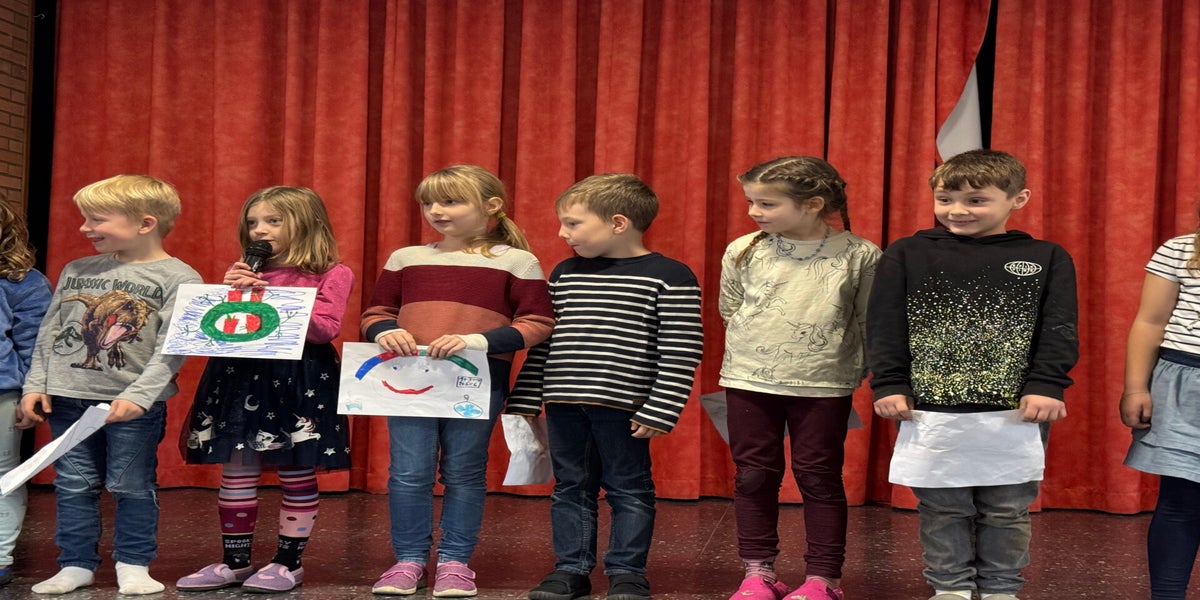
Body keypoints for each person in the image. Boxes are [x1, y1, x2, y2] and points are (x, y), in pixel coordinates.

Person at [867, 149, 1079, 600]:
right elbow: (884, 323)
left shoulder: (1045, 256)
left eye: (976, 200)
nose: (957, 210)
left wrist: (1047, 384)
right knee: (942, 508)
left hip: (1016, 410)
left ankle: (1002, 588)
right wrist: (889, 382)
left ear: (1018, 199)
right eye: (945, 199)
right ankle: (950, 588)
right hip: (930, 408)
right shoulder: (907, 253)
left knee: (1007, 509)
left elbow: (1059, 326)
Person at [508, 173, 704, 600]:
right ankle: (570, 569)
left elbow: (682, 348)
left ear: (618, 223)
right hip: (563, 402)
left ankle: (627, 572)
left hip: (624, 406)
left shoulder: (670, 275)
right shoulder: (565, 272)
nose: (562, 233)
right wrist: (525, 395)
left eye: (573, 223)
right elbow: (546, 341)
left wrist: (662, 406)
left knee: (629, 488)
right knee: (570, 486)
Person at [362, 164, 554, 598]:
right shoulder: (406, 258)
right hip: (407, 384)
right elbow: (375, 314)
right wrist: (384, 331)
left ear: (491, 206)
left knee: (465, 472)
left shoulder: (517, 262)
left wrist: (475, 341)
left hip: (477, 385)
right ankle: (408, 560)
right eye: (429, 202)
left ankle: (454, 562)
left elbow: (539, 323)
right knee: (408, 473)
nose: (436, 210)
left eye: (450, 201)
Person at [16, 174, 203, 595]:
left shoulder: (181, 278)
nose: (85, 228)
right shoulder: (77, 270)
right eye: (85, 218)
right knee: (73, 484)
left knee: (130, 484)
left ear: (145, 223)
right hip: (68, 400)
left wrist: (139, 395)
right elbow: (50, 332)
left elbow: (173, 348)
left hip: (130, 408)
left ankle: (134, 564)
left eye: (97, 219)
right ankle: (75, 563)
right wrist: (35, 384)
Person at [174, 186, 354, 593]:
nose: (259, 230)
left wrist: (269, 297)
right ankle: (234, 561)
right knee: (236, 468)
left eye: (273, 221)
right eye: (253, 222)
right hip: (240, 375)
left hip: (298, 379)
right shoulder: (247, 270)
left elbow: (325, 330)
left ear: (307, 223)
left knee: (296, 467)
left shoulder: (332, 272)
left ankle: (288, 562)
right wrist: (231, 296)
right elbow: (226, 326)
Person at [718, 157, 880, 600]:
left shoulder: (860, 254)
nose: (754, 211)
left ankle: (823, 578)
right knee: (753, 474)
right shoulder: (743, 249)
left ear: (813, 204)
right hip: (749, 381)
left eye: (767, 203)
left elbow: (868, 319)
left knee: (819, 475)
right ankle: (757, 572)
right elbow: (731, 308)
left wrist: (858, 370)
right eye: (751, 201)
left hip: (823, 383)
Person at [1121, 216, 1200, 600]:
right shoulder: (1180, 250)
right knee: (1181, 502)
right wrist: (1136, 387)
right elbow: (1150, 322)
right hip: (1185, 385)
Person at [0, 201, 52, 587]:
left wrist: (31, 391)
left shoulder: (23, 282)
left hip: (3, 391)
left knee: (4, 475)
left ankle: (0, 555)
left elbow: (35, 344)